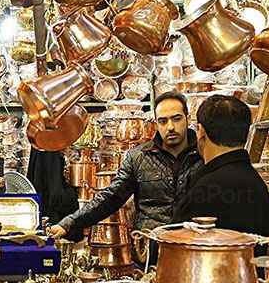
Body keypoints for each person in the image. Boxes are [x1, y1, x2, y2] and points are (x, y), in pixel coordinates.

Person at [48, 92, 203, 246]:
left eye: (176, 119)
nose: (170, 127)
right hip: (150, 249)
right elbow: (110, 198)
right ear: (156, 124)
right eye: (163, 121)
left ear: (188, 119)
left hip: (194, 248)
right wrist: (68, 224)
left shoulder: (204, 155)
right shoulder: (138, 157)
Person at [171, 94, 269, 237]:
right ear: (247, 134)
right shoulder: (255, 181)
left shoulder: (206, 190)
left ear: (201, 132)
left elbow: (172, 247)